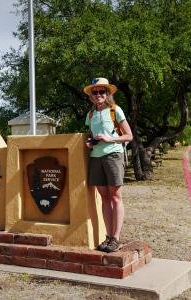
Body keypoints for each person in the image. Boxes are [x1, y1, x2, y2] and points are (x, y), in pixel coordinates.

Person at [84, 78, 133, 253]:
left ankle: (116, 238)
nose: (98, 95)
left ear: (107, 94)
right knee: (104, 198)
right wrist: (90, 143)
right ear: (91, 95)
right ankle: (108, 236)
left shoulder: (115, 110)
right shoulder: (90, 115)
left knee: (115, 197)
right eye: (95, 92)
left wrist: (110, 139)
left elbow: (129, 136)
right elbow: (91, 135)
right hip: (96, 157)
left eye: (101, 92)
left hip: (113, 155)